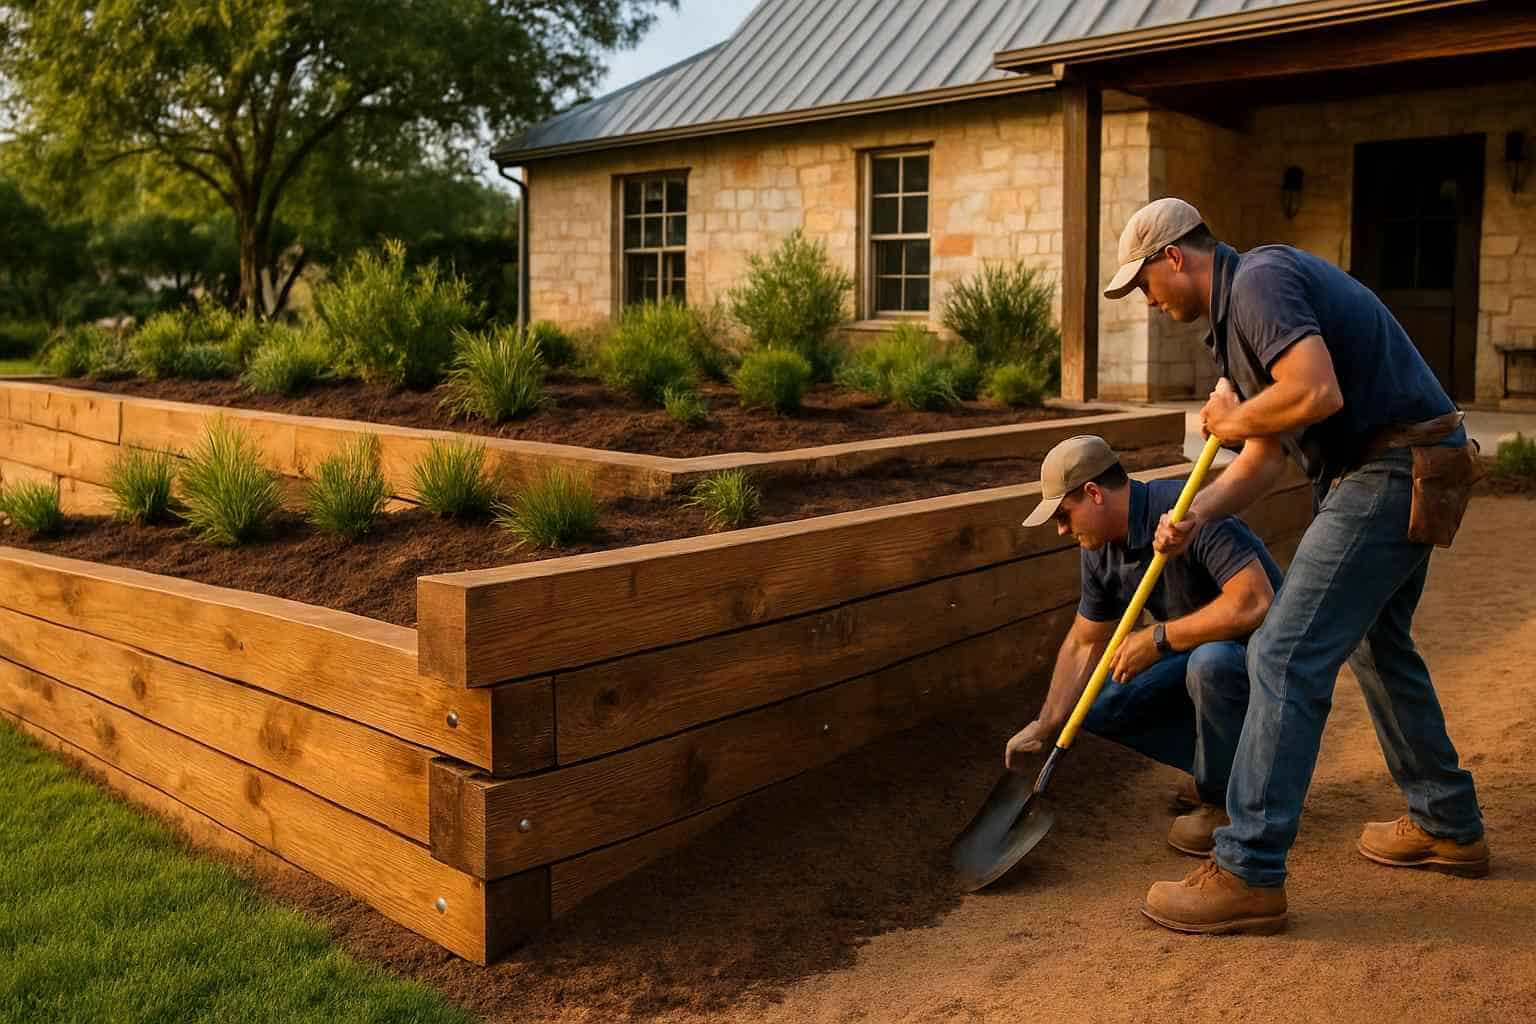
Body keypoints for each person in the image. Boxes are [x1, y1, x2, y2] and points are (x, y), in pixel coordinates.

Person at [1104, 197, 1487, 936]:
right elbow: (1265, 460)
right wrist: (1199, 513)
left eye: (1143, 284)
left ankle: (1247, 870)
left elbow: (1317, 392)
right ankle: (1448, 822)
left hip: (1390, 467)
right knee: (1380, 649)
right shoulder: (1240, 327)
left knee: (1282, 653)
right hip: (1409, 465)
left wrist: (1230, 417)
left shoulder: (1259, 283)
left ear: (1173, 258)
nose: (1147, 302)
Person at [1006, 434, 1283, 856]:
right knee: (1093, 706)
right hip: (1204, 650)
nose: (1062, 529)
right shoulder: (1098, 549)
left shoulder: (1185, 511)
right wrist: (1046, 724)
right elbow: (1084, 641)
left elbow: (1255, 603)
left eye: (1063, 514)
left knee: (1209, 664)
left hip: (1268, 656)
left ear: (1094, 493)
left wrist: (1158, 638)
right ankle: (1227, 770)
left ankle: (1226, 803)